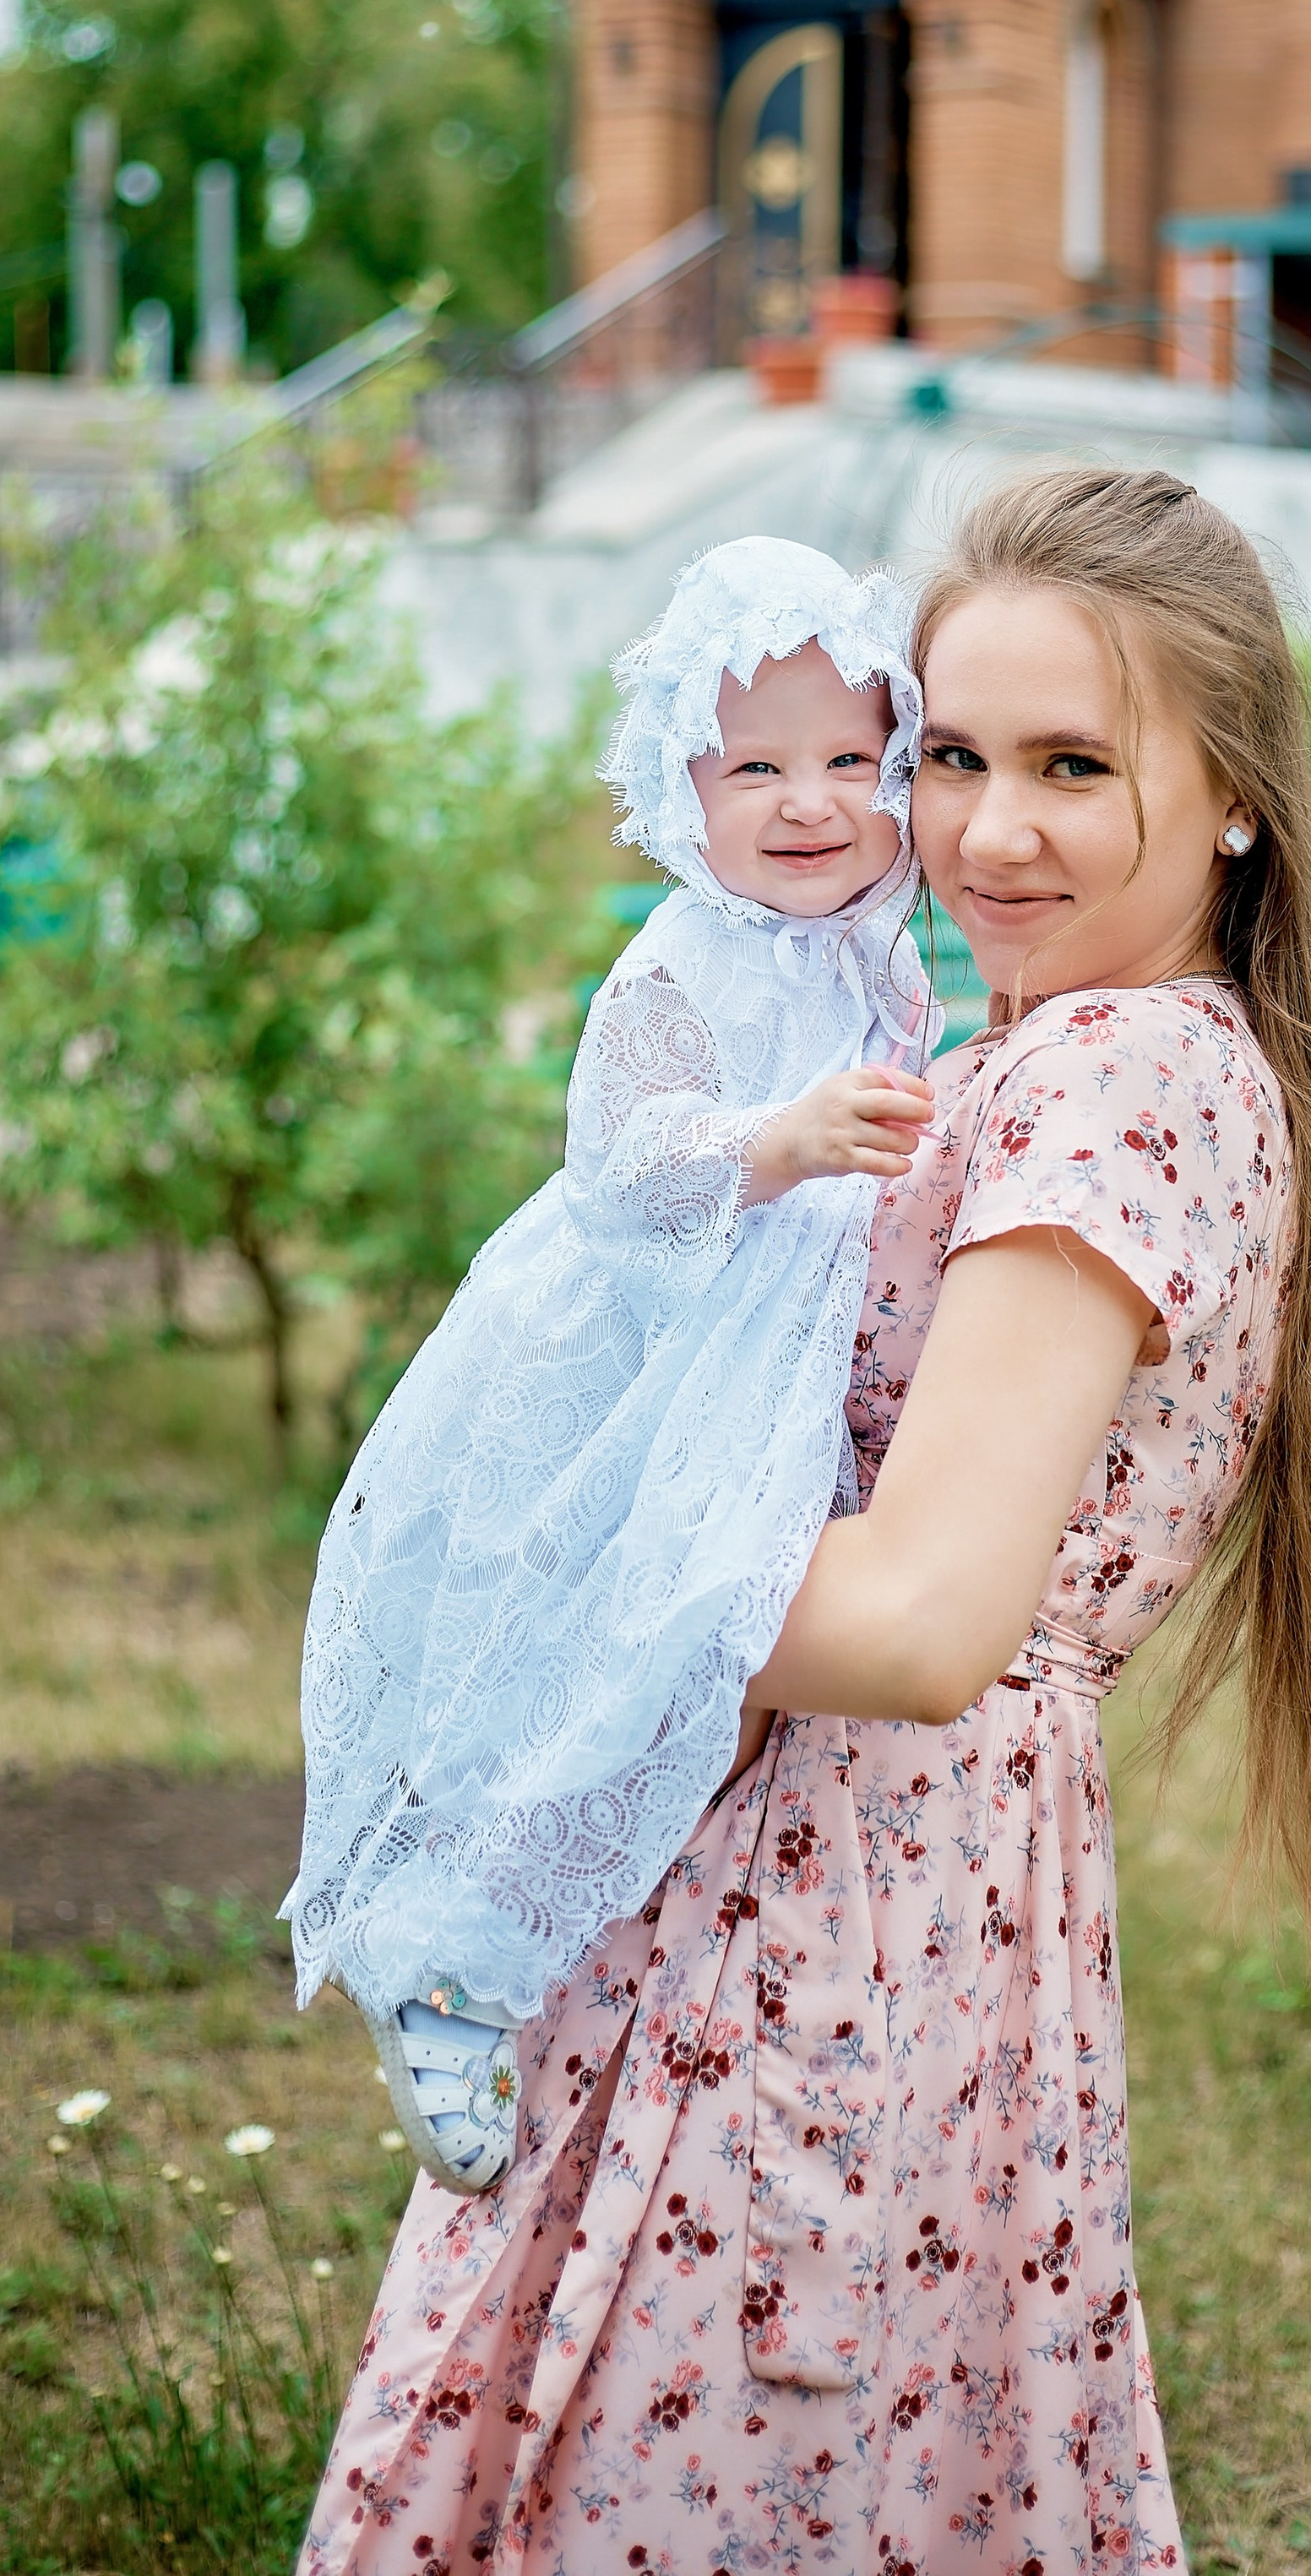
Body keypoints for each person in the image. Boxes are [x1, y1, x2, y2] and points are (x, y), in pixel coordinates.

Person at [304, 466, 1311, 2573]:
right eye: (945, 754)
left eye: (1073, 764)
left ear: (1234, 793)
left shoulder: (1119, 1083)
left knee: (704, 2480)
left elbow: (918, 1622)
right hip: (822, 1881)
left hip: (846, 1909)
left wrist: (513, 1563)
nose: (982, 830)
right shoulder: (1008, 1049)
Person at [285, 538, 936, 2192]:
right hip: (636, 1356)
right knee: (616, 1637)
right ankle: (458, 1959)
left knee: (715, 1666)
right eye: (756, 768)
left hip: (767, 1356)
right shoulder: (686, 959)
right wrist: (778, 1139)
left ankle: (598, 1922)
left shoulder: (880, 949)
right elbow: (620, 1161)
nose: (809, 804)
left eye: (853, 762)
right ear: (678, 785)